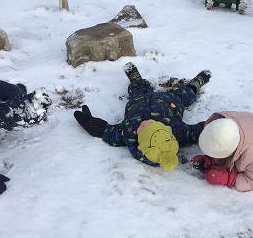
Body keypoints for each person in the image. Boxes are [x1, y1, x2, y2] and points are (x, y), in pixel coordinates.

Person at [74, 63, 211, 171]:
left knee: (138, 88)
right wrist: (216, 126)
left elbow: (106, 132)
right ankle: (197, 83)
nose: (146, 122)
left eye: (143, 128)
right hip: (171, 102)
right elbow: (198, 132)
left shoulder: (127, 133)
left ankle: (135, 77)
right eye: (152, 123)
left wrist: (89, 122)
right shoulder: (177, 131)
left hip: (139, 99)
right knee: (184, 94)